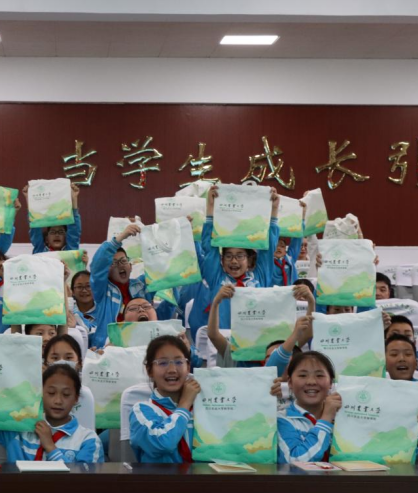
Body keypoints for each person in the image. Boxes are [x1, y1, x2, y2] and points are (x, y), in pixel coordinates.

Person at [188, 185, 280, 334]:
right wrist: (211, 207)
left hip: (252, 340)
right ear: (222, 259)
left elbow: (268, 249)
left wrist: (274, 210)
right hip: (222, 341)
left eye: (240, 256)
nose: (234, 261)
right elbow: (209, 247)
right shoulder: (216, 278)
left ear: (249, 259)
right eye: (229, 256)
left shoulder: (259, 278)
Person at [0, 364, 103, 463]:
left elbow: (82, 480)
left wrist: (50, 447)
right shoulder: (18, 428)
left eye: (66, 394)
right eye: (51, 393)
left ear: (76, 399)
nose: (58, 401)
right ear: (41, 394)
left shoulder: (88, 440)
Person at [206, 283, 314, 375]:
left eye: (276, 355)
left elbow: (308, 334)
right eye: (269, 357)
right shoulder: (236, 355)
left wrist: (311, 301)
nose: (272, 360)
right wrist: (216, 302)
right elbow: (213, 335)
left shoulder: (288, 350)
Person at [130, 336, 198, 464]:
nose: (172, 370)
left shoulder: (203, 407)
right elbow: (163, 443)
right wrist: (185, 404)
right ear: (149, 370)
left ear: (188, 367)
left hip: (205, 476)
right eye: (162, 363)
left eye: (179, 362)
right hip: (160, 477)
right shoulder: (141, 410)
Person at [88, 224, 153, 349]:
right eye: (114, 263)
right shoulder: (102, 290)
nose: (120, 265)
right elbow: (97, 266)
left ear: (130, 266)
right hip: (108, 347)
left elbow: (162, 268)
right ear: (106, 270)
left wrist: (177, 229)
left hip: (140, 346)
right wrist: (120, 238)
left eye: (123, 261)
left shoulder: (142, 285)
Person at [277, 351, 340, 464]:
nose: (311, 382)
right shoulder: (281, 419)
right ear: (290, 382)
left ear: (331, 382)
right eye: (302, 375)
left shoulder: (343, 417)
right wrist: (326, 419)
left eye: (319, 375)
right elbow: (295, 462)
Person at [26, 183, 82, 254]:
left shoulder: (71, 252)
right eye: (52, 232)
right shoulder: (40, 252)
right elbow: (35, 227)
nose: (57, 235)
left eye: (61, 232)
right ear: (46, 239)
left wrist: (74, 198)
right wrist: (29, 198)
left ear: (66, 238)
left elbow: (74, 232)